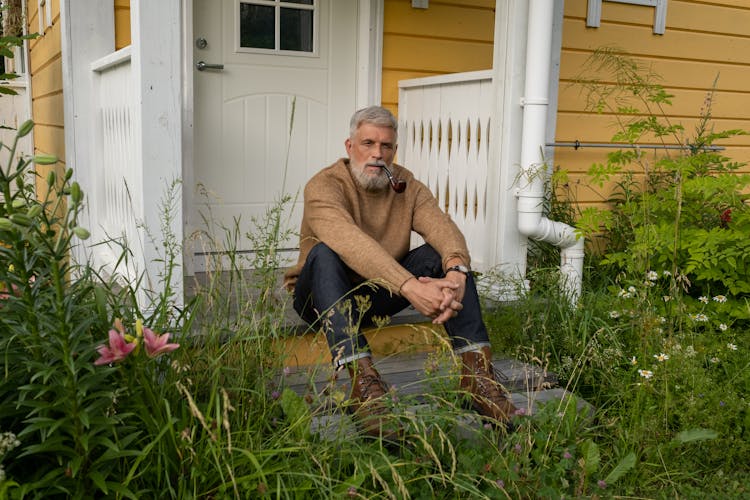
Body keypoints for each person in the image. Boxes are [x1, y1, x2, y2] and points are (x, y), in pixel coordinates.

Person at [284, 106, 516, 437]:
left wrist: (456, 272)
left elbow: (441, 227)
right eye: (368, 143)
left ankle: (477, 377)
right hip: (322, 299)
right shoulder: (324, 186)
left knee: (439, 255)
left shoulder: (406, 185)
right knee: (325, 253)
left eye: (387, 146)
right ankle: (364, 387)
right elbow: (350, 243)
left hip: (376, 295)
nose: (377, 154)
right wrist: (409, 286)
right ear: (350, 147)